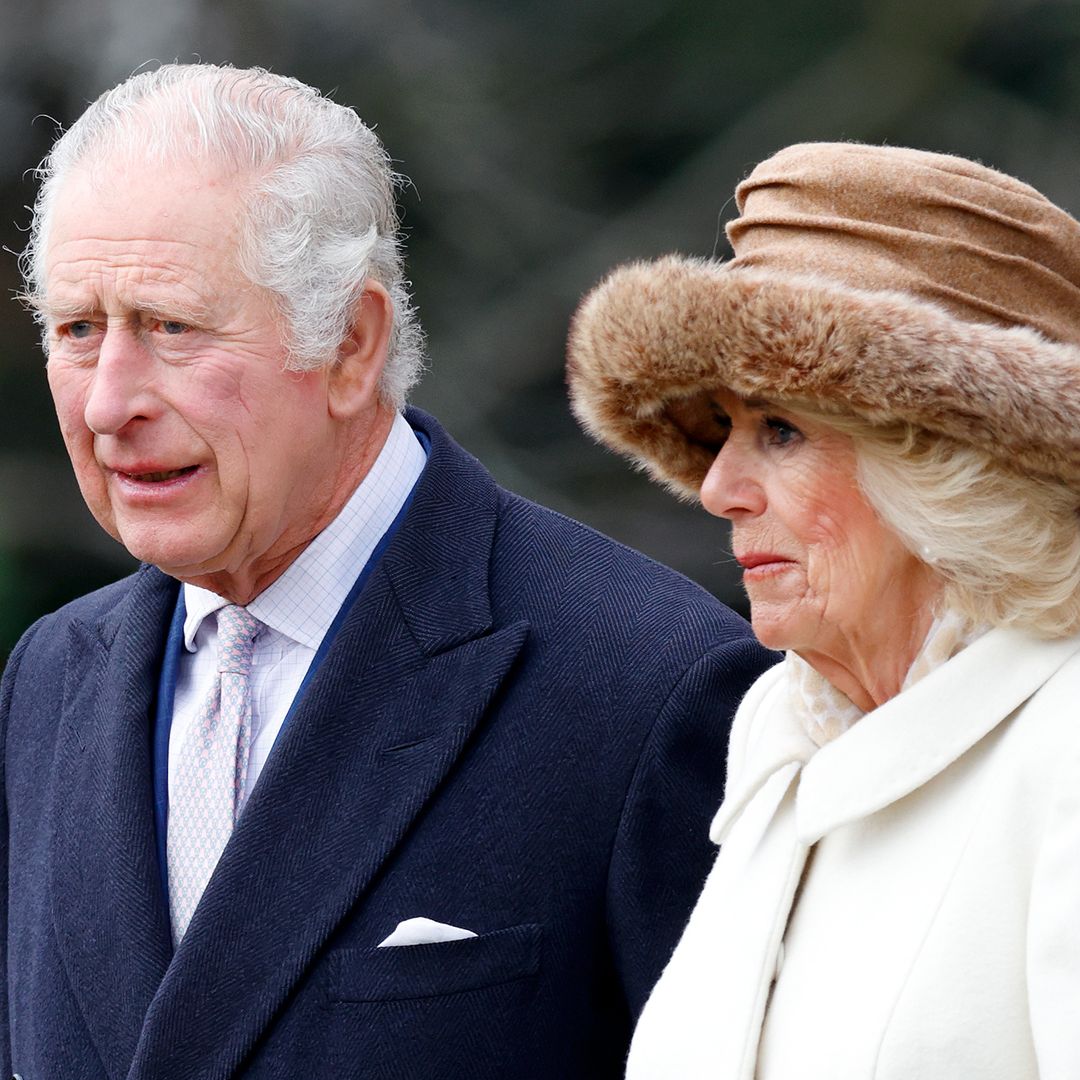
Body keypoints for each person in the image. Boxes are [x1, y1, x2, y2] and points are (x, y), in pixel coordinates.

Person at [0, 63, 774, 1079]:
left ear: (353, 345)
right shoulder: (48, 678)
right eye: (77, 331)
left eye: (171, 327)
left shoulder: (649, 685)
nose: (107, 404)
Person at [566, 141, 1080, 1079]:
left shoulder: (1064, 747)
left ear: (946, 464)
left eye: (781, 430)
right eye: (723, 426)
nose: (718, 485)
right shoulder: (782, 723)